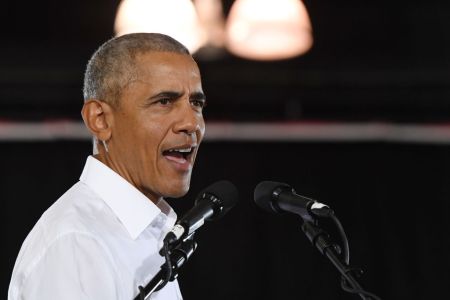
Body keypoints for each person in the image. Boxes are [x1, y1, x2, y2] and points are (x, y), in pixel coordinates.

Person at [8, 32, 206, 300]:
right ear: (100, 119)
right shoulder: (76, 243)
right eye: (164, 101)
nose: (192, 123)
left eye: (196, 103)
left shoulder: (150, 233)